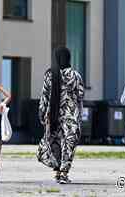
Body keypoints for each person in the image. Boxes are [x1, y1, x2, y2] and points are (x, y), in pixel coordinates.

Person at [37, 46, 84, 184]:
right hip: (71, 116)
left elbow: (44, 96)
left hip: (53, 116)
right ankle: (63, 173)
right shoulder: (75, 76)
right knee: (68, 144)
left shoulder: (50, 74)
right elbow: (80, 96)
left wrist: (42, 112)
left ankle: (57, 171)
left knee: (55, 143)